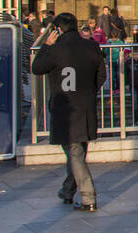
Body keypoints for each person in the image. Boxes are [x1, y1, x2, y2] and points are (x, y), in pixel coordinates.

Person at [30, 12, 107, 212]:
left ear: (58, 30)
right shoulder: (92, 46)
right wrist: (90, 91)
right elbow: (101, 75)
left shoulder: (55, 50)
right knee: (78, 151)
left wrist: (46, 45)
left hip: (65, 108)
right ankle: (67, 190)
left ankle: (88, 197)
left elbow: (36, 68)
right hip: (86, 105)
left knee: (74, 152)